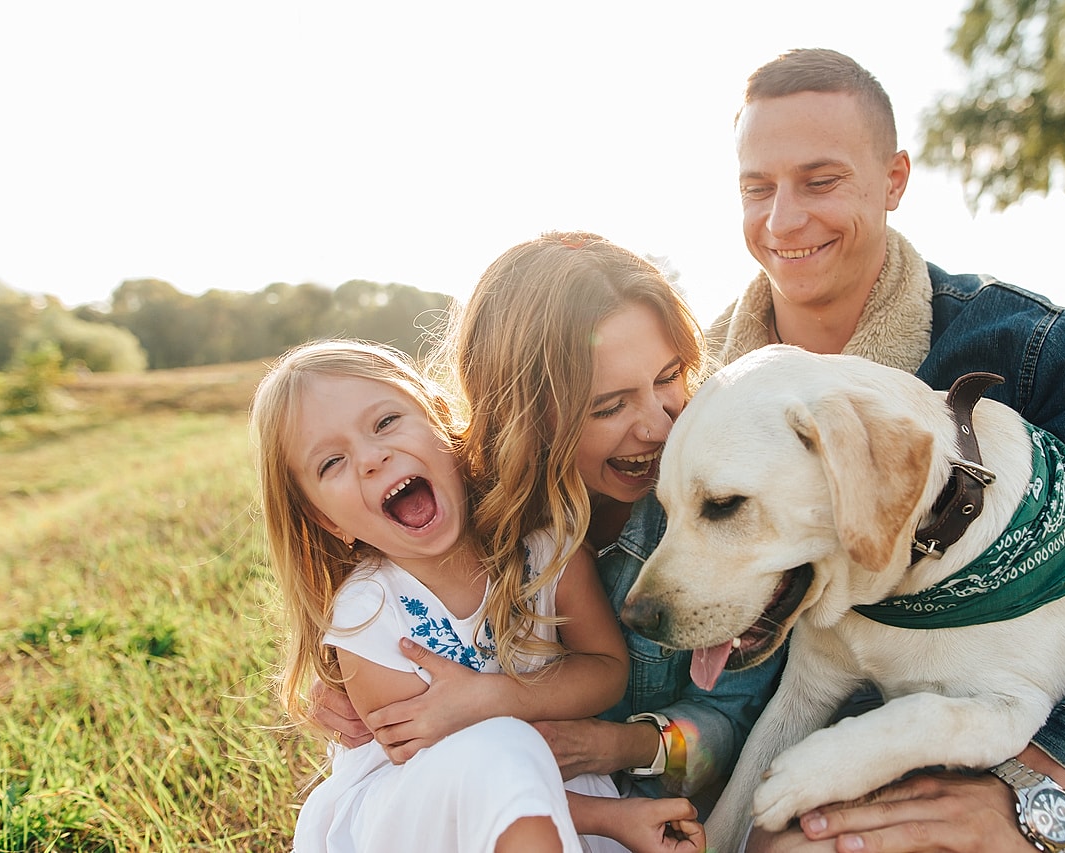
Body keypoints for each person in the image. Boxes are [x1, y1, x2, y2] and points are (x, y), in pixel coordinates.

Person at [709, 48, 1065, 852]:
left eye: (821, 181)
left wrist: (1057, 775)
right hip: (850, 748)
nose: (784, 219)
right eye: (758, 187)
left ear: (894, 179)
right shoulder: (699, 407)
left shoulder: (1031, 350)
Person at [312, 233, 786, 819]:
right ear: (527, 418)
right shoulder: (458, 515)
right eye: (609, 406)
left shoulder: (726, 508)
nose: (661, 426)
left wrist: (620, 746)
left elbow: (737, 723)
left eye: (670, 376)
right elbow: (377, 592)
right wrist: (350, 681)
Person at [252, 338, 705, 853]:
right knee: (502, 747)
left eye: (385, 423)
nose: (372, 458)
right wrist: (609, 817)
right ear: (327, 520)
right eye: (332, 462)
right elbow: (444, 767)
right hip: (418, 815)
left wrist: (497, 698)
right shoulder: (366, 615)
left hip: (559, 786)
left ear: (442, 423)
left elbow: (606, 669)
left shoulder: (544, 549)